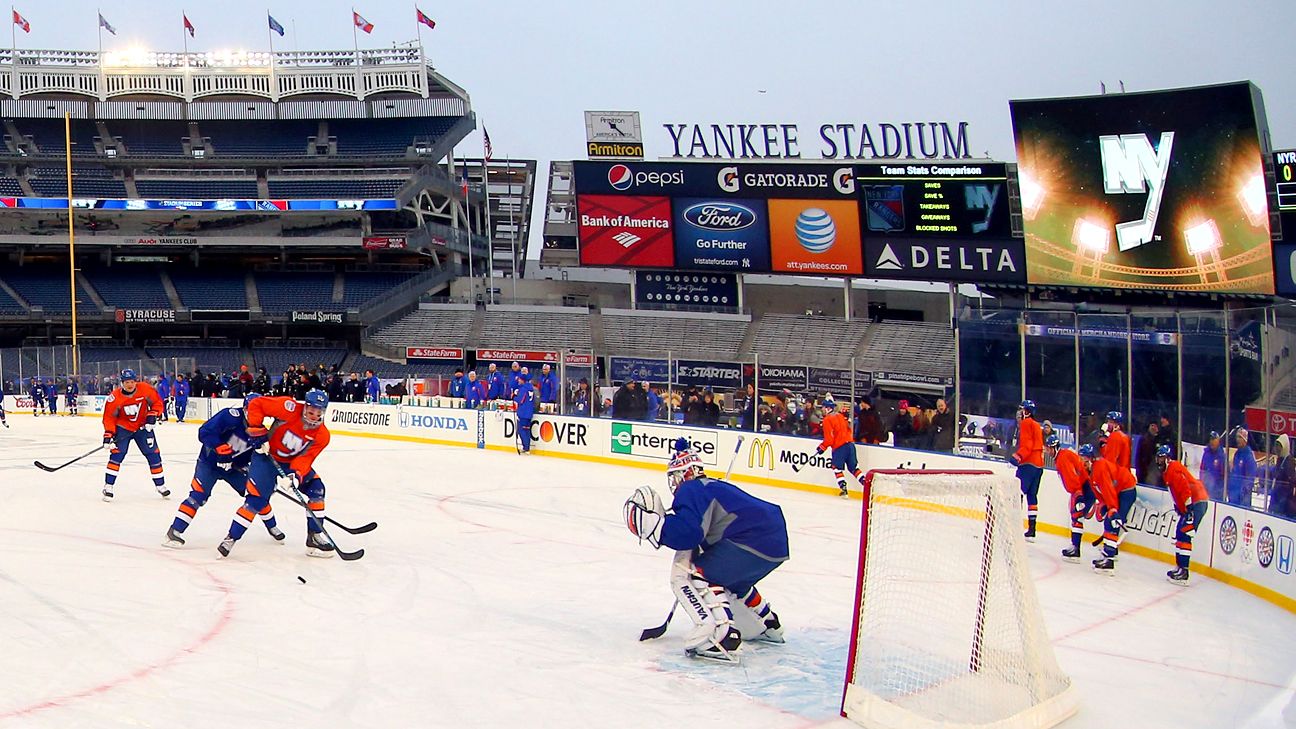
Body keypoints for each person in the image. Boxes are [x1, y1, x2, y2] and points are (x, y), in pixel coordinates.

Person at [622, 450, 788, 663]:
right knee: (733, 581)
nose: (674, 482)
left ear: (688, 472)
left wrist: (661, 527)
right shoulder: (709, 487)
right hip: (773, 541)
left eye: (676, 475)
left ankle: (720, 635)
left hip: (752, 540)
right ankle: (767, 624)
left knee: (695, 573)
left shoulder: (691, 490)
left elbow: (688, 534)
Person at [218, 390, 334, 559]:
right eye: (311, 411)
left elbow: (306, 457)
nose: (314, 416)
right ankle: (231, 538)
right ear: (305, 407)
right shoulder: (288, 408)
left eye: (319, 413)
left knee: (317, 489)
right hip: (265, 458)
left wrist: (296, 474)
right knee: (256, 500)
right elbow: (256, 404)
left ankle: (314, 536)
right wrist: (257, 431)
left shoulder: (322, 435)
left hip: (289, 464)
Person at [164, 394, 284, 548]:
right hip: (210, 463)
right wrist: (220, 450)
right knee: (198, 496)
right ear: (245, 408)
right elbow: (205, 431)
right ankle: (175, 531)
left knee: (257, 494)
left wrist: (263, 477)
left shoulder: (260, 432)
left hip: (235, 468)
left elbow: (257, 456)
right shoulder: (230, 416)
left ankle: (272, 526)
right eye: (252, 409)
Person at [101, 369, 168, 502]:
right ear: (122, 383)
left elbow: (157, 403)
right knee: (117, 455)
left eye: (132, 381)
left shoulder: (145, 389)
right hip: (123, 428)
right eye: (127, 382)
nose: (130, 385)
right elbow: (109, 418)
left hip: (142, 427)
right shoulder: (114, 398)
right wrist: (108, 434)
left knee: (153, 454)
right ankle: (108, 486)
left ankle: (160, 485)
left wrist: (152, 415)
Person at [1157, 444, 1210, 585]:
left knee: (1185, 534)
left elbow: (1185, 489)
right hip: (1193, 503)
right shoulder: (1167, 471)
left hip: (1196, 502)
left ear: (1168, 459)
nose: (1159, 461)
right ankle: (1180, 567)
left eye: (1162, 458)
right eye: (1158, 458)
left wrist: (1189, 509)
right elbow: (1176, 492)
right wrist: (1179, 507)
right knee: (1180, 534)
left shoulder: (1173, 469)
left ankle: (1184, 572)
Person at [1086, 443, 1138, 574]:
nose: (1082, 462)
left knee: (1112, 521)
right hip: (1119, 491)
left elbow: (1108, 490)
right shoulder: (1092, 472)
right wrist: (1105, 504)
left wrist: (1112, 508)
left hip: (1126, 490)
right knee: (1110, 522)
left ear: (1091, 458)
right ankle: (1109, 554)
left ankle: (1109, 560)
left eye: (1084, 458)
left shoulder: (1099, 468)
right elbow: (1102, 492)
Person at [1051, 438, 1095, 563]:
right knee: (1076, 517)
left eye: (1048, 448)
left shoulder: (1062, 458)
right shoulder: (1062, 456)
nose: (1046, 450)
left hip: (1082, 489)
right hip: (1081, 488)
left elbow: (1072, 476)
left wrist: (1079, 495)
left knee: (1077, 517)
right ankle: (1075, 546)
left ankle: (1076, 549)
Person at [815, 396, 865, 498]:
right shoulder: (841, 416)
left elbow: (829, 440)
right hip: (850, 445)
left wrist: (822, 447)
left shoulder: (827, 420)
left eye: (823, 407)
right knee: (854, 469)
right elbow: (849, 430)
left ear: (828, 408)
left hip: (839, 447)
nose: (822, 410)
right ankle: (867, 485)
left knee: (836, 468)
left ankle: (844, 489)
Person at [1011, 399, 1044, 541]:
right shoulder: (1037, 425)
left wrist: (1019, 456)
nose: (1020, 412)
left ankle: (1014, 526)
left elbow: (1028, 444)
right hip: (1039, 465)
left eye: (1022, 409)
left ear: (1027, 412)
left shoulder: (1026, 423)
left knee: (1017, 493)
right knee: (1032, 496)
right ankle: (1032, 530)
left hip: (1028, 463)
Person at [1228, 428, 1257, 507]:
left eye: (1240, 437)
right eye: (1237, 437)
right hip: (1233, 494)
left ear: (1245, 439)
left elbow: (1250, 477)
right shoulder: (1237, 454)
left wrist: (1243, 492)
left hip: (1242, 498)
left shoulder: (1249, 456)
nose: (1238, 439)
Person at [1270, 434, 1296, 518]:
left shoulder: (1289, 462)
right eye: (1276, 446)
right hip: (1276, 498)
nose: (1277, 449)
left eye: (1279, 446)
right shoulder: (1279, 460)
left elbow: (1291, 482)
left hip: (1284, 502)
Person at [1200, 430, 1226, 501]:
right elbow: (1202, 469)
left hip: (1217, 492)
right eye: (1210, 439)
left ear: (1218, 440)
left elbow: (1224, 475)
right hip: (1206, 490)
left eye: (1213, 439)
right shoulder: (1206, 453)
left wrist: (1219, 491)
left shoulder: (1221, 456)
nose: (1211, 441)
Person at [514, 371, 536, 454]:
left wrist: (515, 397)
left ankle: (526, 447)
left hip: (523, 412)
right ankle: (526, 447)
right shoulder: (531, 388)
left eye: (519, 379)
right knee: (526, 430)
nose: (518, 380)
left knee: (521, 430)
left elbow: (521, 400)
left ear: (522, 380)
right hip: (529, 412)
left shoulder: (524, 389)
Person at [1135, 421, 1161, 486]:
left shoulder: (1158, 440)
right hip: (1145, 470)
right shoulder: (1144, 439)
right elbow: (1139, 456)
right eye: (1152, 425)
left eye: (1155, 426)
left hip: (1152, 471)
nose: (1153, 427)